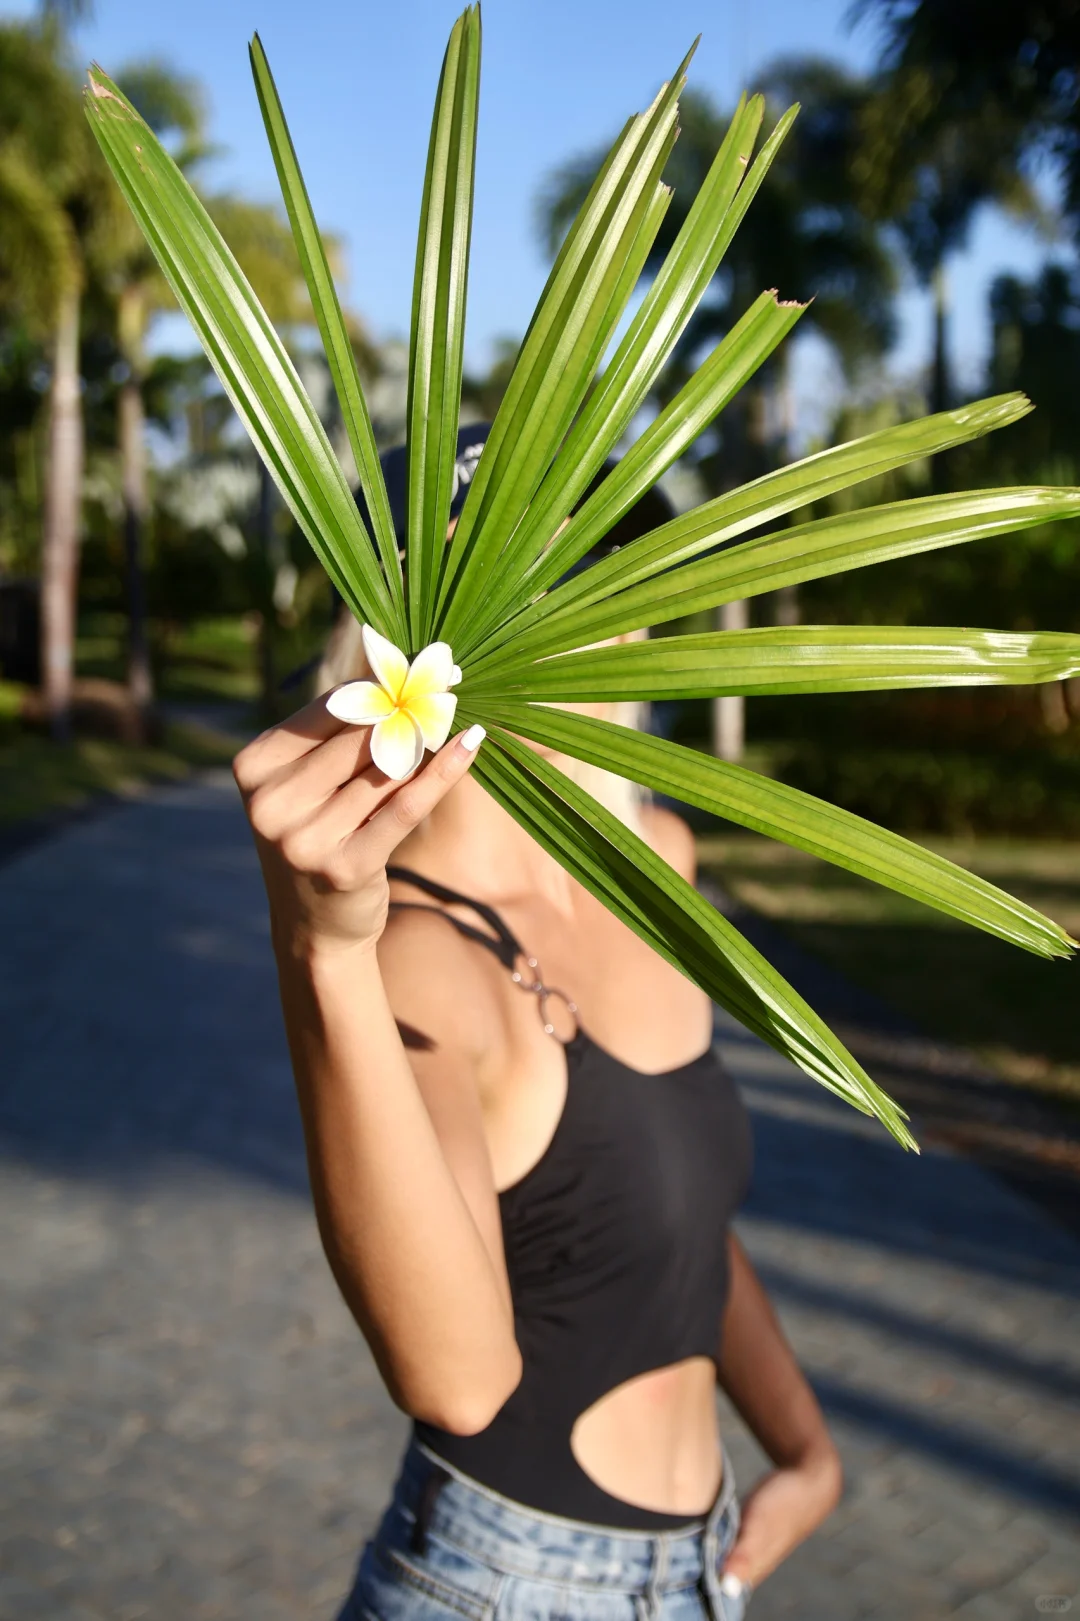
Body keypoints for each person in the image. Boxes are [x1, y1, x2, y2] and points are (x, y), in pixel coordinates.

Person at [234, 428, 842, 1621]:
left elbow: (676, 1218)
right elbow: (456, 1380)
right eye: (508, 577)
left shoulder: (657, 864)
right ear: (406, 629)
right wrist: (325, 953)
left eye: (600, 570)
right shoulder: (415, 956)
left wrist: (807, 1452)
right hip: (501, 1587)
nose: (578, 615)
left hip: (700, 1572)